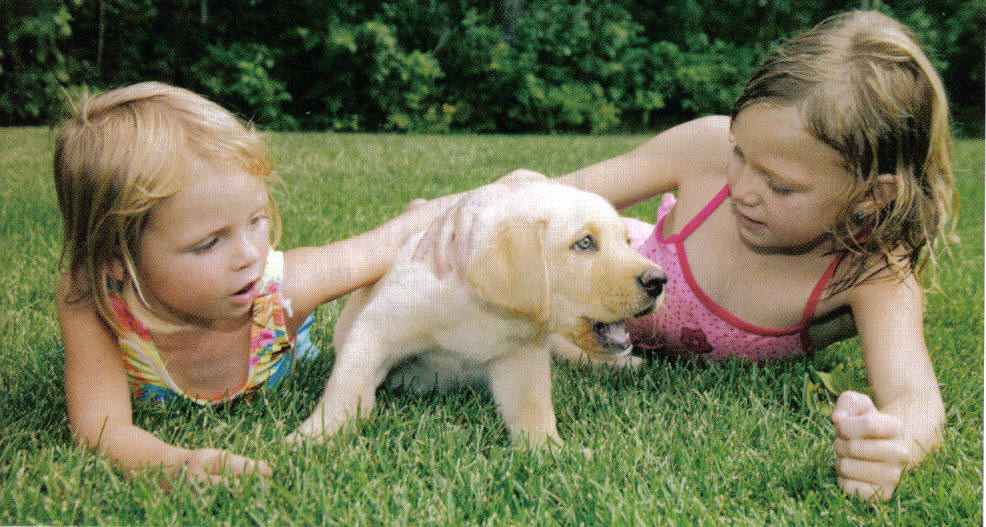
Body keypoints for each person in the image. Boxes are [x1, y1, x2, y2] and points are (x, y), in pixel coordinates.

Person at [425, 10, 954, 502]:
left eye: (781, 186)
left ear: (870, 196)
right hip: (615, 268)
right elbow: (542, 201)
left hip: (605, 343)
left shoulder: (872, 275)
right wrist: (463, 209)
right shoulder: (703, 150)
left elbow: (916, 402)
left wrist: (895, 445)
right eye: (740, 156)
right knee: (462, 267)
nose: (743, 189)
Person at [53, 81, 453, 484]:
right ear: (116, 261)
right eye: (209, 243)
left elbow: (381, 245)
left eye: (256, 220)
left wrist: (501, 193)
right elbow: (100, 430)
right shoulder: (95, 301)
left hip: (283, 343)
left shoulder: (282, 290)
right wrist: (179, 465)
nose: (248, 256)